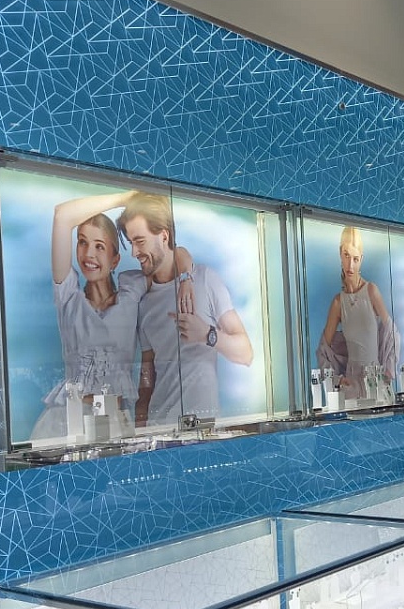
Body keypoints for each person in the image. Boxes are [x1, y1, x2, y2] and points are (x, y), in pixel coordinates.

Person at [31, 189, 195, 441]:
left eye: (100, 246)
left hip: (115, 423)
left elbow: (176, 252)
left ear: (115, 259)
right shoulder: (68, 295)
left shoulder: (132, 289)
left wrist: (186, 278)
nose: (89, 254)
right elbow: (62, 216)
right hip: (66, 425)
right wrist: (125, 198)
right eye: (82, 242)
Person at [116, 192, 253, 428]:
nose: (134, 253)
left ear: (164, 236)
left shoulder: (206, 280)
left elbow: (246, 354)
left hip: (202, 430)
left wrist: (207, 334)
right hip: (159, 431)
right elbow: (147, 375)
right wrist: (140, 429)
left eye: (140, 241)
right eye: (131, 243)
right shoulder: (144, 300)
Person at [316, 225, 399, 399]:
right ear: (340, 254)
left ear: (361, 259)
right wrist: (338, 379)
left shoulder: (371, 291)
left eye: (355, 258)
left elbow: (392, 334)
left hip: (376, 381)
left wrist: (387, 372)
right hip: (351, 385)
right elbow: (323, 350)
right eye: (346, 255)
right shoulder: (338, 303)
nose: (350, 265)